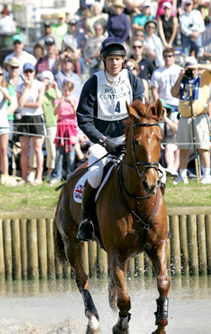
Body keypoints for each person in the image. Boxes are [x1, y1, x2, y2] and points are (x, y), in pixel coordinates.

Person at [76, 37, 145, 241]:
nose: (114, 63)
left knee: (156, 174)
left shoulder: (133, 80)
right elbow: (84, 119)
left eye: (118, 59)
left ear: (123, 60)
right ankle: (87, 220)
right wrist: (105, 142)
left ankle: (154, 220)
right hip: (102, 143)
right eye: (110, 59)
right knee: (95, 176)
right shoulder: (93, 82)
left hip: (128, 140)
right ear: (103, 60)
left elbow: (140, 112)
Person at [171, 56, 211, 184]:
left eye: (192, 68)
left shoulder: (204, 76)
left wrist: (198, 67)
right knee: (183, 148)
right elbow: (173, 93)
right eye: (188, 67)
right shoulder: (183, 79)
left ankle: (207, 174)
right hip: (185, 118)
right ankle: (183, 175)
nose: (191, 71)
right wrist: (180, 77)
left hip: (199, 117)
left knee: (203, 147)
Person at [16, 63, 45, 184]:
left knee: (37, 148)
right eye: (26, 72)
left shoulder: (40, 85)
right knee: (24, 149)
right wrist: (26, 88)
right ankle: (24, 177)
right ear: (23, 73)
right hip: (24, 118)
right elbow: (20, 103)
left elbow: (38, 104)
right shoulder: (20, 86)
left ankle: (39, 177)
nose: (28, 74)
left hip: (36, 117)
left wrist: (25, 104)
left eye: (30, 71)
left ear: (34, 72)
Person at [50, 80, 79, 185]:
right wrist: (60, 103)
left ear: (72, 90)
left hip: (71, 128)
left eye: (69, 90)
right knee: (59, 153)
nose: (66, 93)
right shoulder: (58, 100)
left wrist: (72, 104)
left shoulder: (75, 100)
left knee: (71, 154)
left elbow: (77, 114)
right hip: (61, 127)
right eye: (65, 90)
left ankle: (70, 176)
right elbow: (55, 112)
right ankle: (57, 176)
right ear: (62, 89)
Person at [41, 71, 60, 183]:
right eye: (44, 78)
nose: (46, 81)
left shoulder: (54, 92)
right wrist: (42, 87)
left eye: (48, 79)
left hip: (52, 123)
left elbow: (61, 100)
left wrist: (56, 87)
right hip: (42, 123)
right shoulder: (40, 91)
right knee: (39, 149)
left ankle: (50, 171)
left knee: (52, 150)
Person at [159, 100, 179, 176]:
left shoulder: (174, 116)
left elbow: (176, 129)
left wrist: (165, 119)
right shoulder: (156, 121)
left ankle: (172, 170)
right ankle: (172, 171)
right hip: (165, 144)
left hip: (177, 142)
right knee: (169, 146)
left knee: (178, 150)